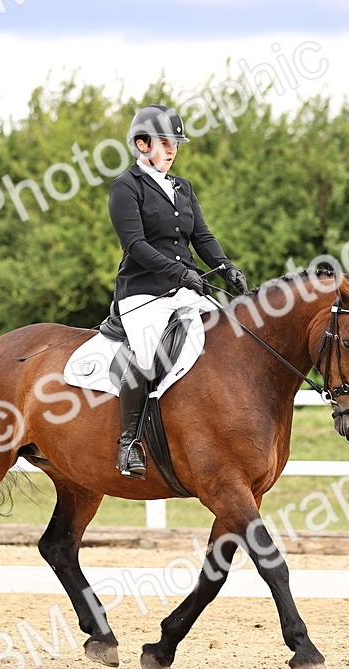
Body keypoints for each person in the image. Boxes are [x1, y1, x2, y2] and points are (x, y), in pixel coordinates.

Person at [106, 104, 249, 479]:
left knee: (232, 331)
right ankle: (128, 443)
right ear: (142, 144)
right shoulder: (126, 187)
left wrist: (227, 266)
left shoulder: (183, 187)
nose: (171, 150)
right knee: (148, 352)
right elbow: (135, 244)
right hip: (143, 292)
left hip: (185, 287)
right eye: (164, 143)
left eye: (176, 144)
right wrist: (179, 272)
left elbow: (201, 236)